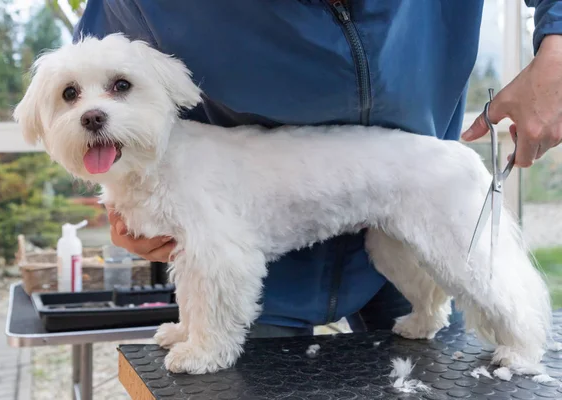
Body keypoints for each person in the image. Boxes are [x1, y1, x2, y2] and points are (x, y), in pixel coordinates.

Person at [73, 0, 562, 338]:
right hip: (261, 266)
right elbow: (89, 70)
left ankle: (479, 321)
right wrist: (124, 188)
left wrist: (557, 46)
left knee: (460, 306)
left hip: (421, 189)